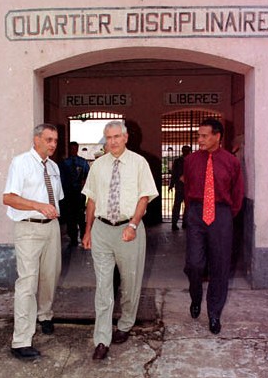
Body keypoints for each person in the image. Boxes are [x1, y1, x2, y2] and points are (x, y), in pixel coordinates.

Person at [82, 120, 158, 360]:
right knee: (103, 287)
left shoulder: (139, 163)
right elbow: (91, 199)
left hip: (129, 229)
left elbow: (144, 197)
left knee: (129, 283)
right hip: (102, 230)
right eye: (108, 137)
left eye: (116, 136)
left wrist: (134, 224)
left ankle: (125, 324)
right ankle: (102, 339)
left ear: (126, 137)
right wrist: (87, 230)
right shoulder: (98, 166)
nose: (112, 141)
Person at [3, 123, 63, 360]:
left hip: (51, 228)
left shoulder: (54, 167)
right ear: (36, 139)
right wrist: (38, 205)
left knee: (51, 275)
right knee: (27, 283)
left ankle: (45, 316)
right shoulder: (21, 163)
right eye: (49, 140)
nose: (53, 145)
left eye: (55, 141)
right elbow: (8, 198)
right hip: (28, 227)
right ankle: (20, 341)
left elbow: (56, 199)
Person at [183, 118, 244, 335]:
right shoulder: (190, 161)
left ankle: (214, 313)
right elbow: (188, 188)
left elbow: (237, 195)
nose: (199, 140)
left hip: (221, 215)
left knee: (220, 265)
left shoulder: (231, 162)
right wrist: (193, 213)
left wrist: (224, 217)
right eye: (198, 135)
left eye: (204, 135)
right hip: (196, 213)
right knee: (194, 263)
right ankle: (196, 297)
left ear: (217, 136)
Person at [59, 142, 90, 247]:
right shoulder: (64, 163)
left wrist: (83, 187)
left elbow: (88, 176)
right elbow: (61, 179)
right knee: (70, 216)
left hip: (79, 193)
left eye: (75, 148)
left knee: (81, 215)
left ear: (77, 149)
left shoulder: (83, 162)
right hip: (68, 193)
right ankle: (73, 238)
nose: (73, 150)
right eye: (71, 148)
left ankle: (83, 236)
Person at [169, 145, 191, 230]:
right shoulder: (190, 161)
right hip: (185, 186)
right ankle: (183, 222)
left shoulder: (178, 161)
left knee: (178, 205)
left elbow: (174, 174)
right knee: (185, 205)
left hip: (180, 186)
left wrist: (171, 185)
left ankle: (175, 223)